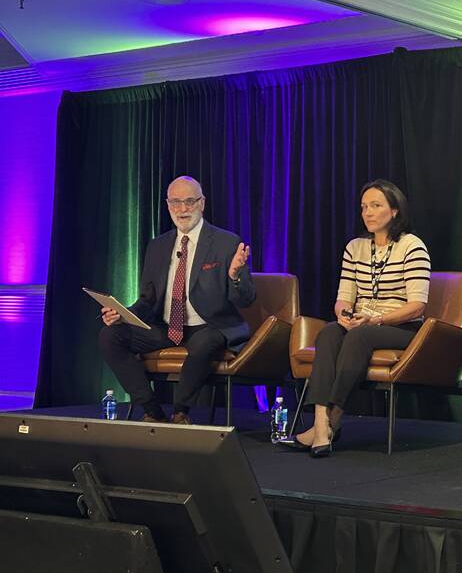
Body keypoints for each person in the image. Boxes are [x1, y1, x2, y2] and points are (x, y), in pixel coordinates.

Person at [289, 179, 431, 458]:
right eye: (364, 207)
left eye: (376, 206)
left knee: (360, 335)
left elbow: (417, 305)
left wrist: (375, 320)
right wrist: (344, 315)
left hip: (401, 326)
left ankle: (333, 420)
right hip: (361, 323)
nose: (367, 212)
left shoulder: (412, 246)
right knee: (330, 332)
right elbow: (344, 297)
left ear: (394, 211)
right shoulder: (355, 247)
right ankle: (320, 423)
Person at [98, 176, 255, 424]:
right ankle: (150, 409)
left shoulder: (227, 242)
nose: (183, 209)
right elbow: (148, 299)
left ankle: (180, 411)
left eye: (190, 201)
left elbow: (246, 299)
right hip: (167, 327)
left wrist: (235, 276)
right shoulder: (158, 246)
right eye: (176, 202)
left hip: (210, 325)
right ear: (168, 205)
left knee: (203, 343)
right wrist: (122, 313)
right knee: (110, 336)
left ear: (202, 203)